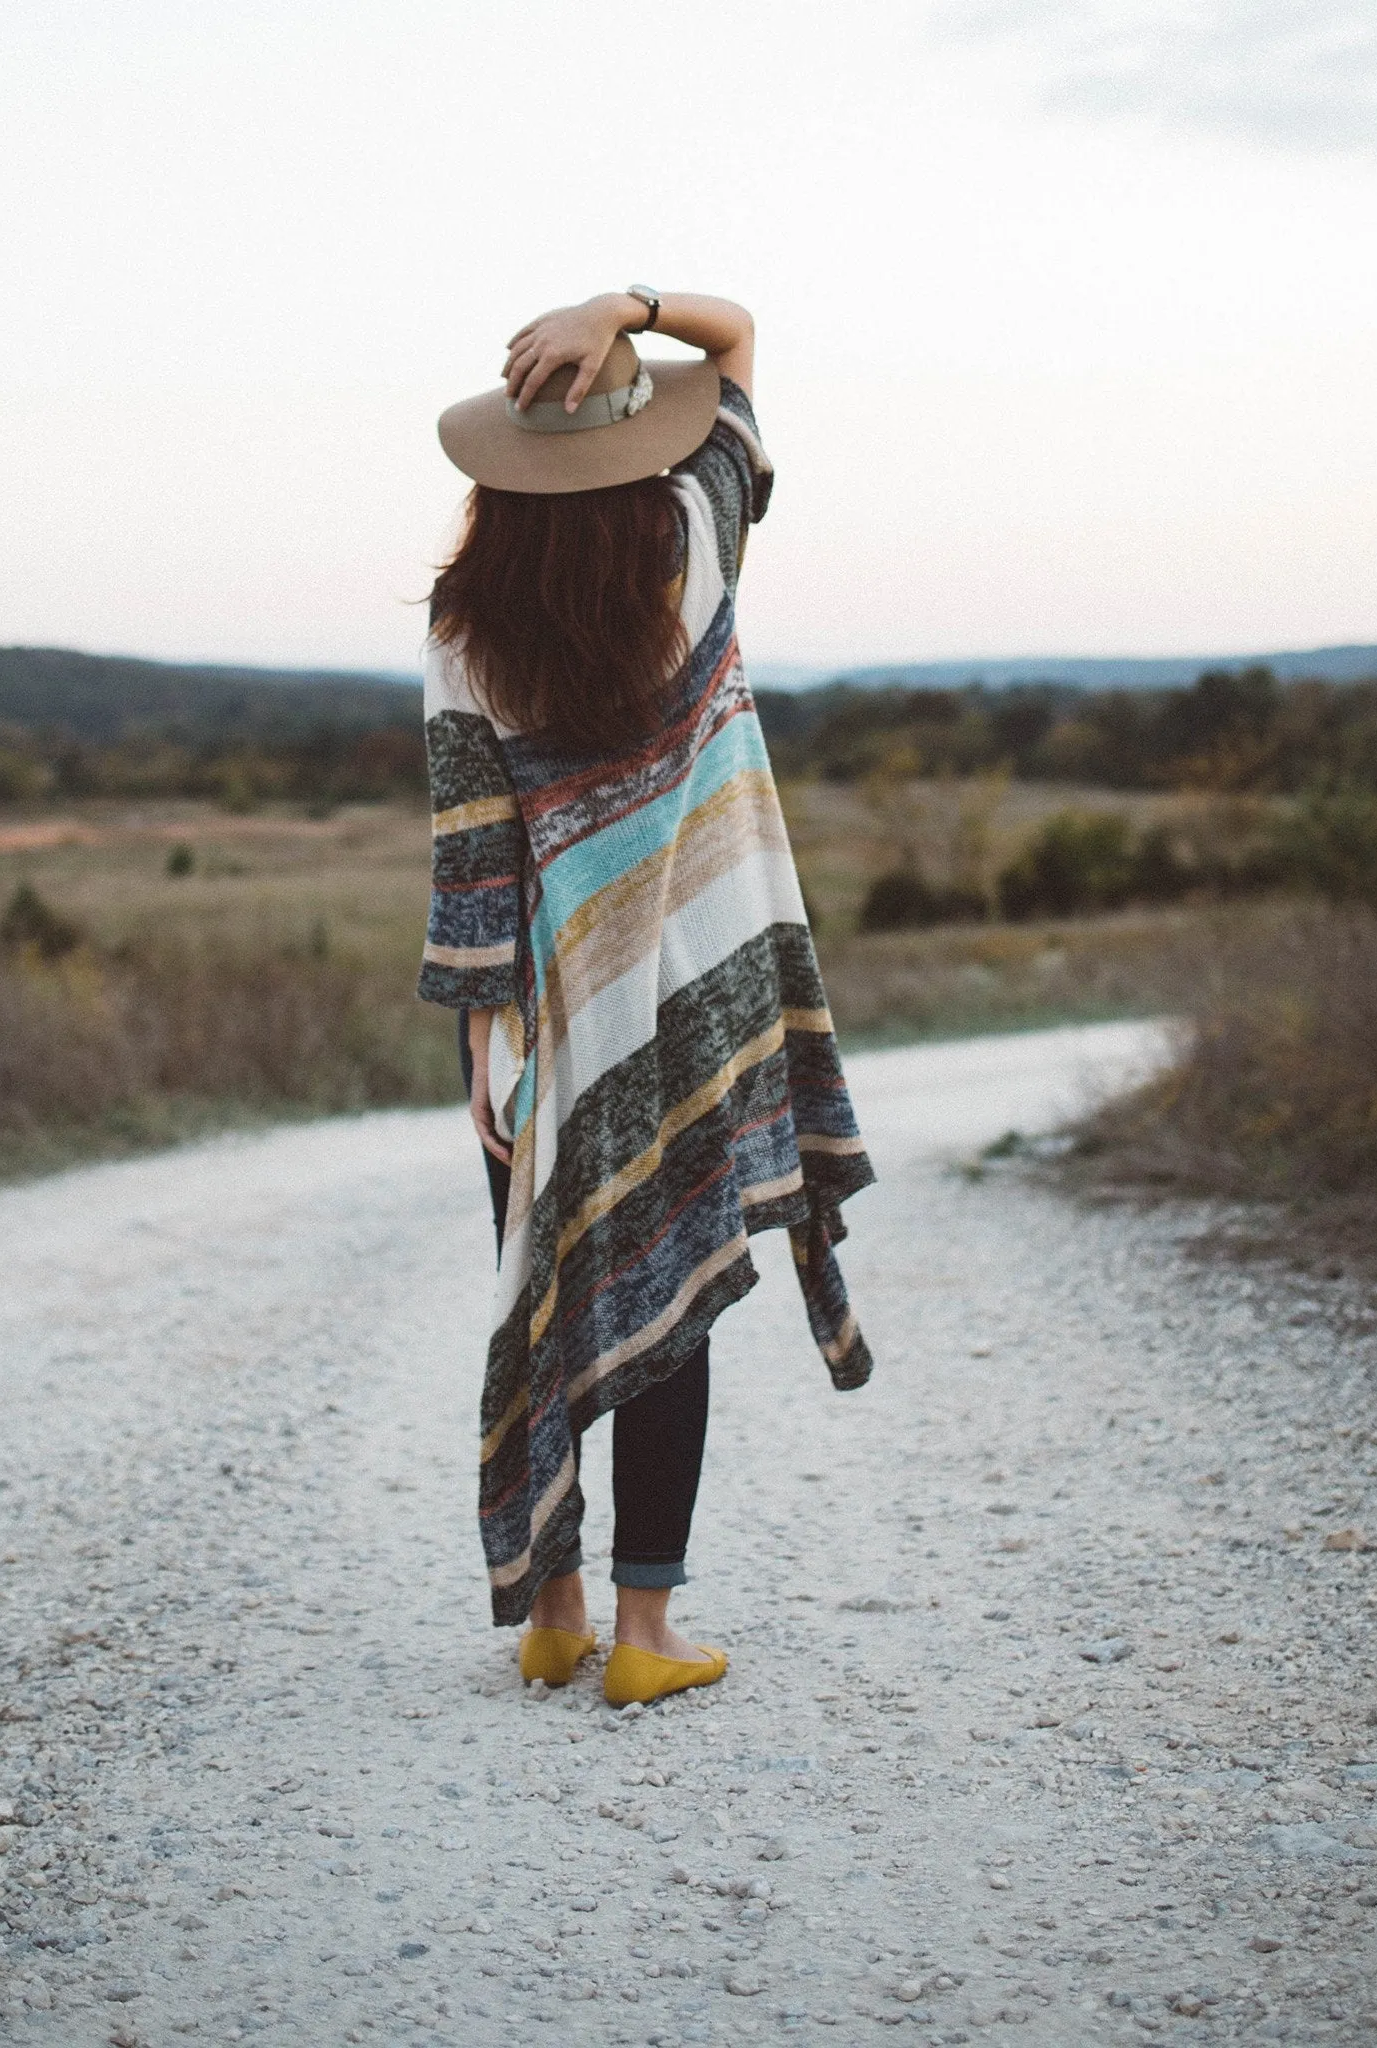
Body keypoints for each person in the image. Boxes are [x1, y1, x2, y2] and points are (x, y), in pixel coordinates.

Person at [418, 288, 875, 1708]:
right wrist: (631, 303)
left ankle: (551, 1609)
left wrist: (486, 1036)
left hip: (542, 1009)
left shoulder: (462, 620)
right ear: (635, 437)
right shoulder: (694, 536)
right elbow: (736, 344)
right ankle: (646, 1634)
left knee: (550, 1272)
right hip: (698, 989)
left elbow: (472, 848)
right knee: (670, 1274)